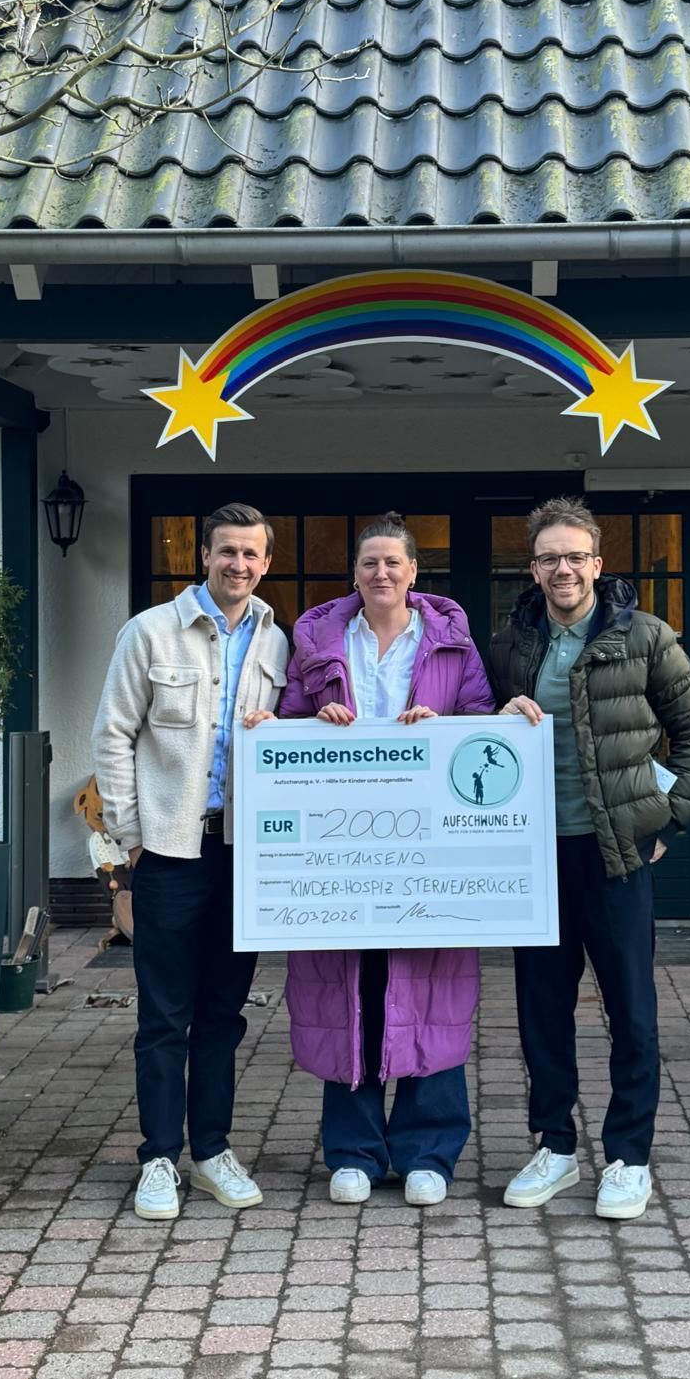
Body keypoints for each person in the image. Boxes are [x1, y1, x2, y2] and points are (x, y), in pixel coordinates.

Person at [490, 497, 690, 1220]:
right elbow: (476, 736)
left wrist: (669, 818)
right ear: (533, 568)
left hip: (616, 854)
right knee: (542, 1009)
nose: (563, 569)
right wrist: (496, 715)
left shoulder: (645, 636)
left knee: (630, 1008)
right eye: (549, 558)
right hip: (535, 854)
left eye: (574, 556)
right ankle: (555, 1146)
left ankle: (628, 1157)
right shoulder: (512, 644)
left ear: (597, 562)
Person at [274, 513, 494, 1207]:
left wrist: (444, 730)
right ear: (355, 572)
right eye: (370, 563)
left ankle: (429, 1151)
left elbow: (481, 721)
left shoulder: (451, 642)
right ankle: (354, 1152)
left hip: (429, 847)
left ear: (414, 572)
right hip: (341, 845)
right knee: (355, 989)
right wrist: (311, 723)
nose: (381, 573)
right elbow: (285, 722)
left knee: (429, 986)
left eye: (393, 562)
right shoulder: (318, 642)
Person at [92, 502, 290, 1221]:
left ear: (265, 563)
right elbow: (112, 734)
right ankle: (157, 1157)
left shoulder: (276, 641)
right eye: (226, 551)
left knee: (222, 1013)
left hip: (243, 852)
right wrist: (131, 835)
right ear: (204, 556)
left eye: (251, 553)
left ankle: (210, 1150)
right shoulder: (149, 632)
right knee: (163, 1014)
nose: (239, 564)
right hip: (171, 851)